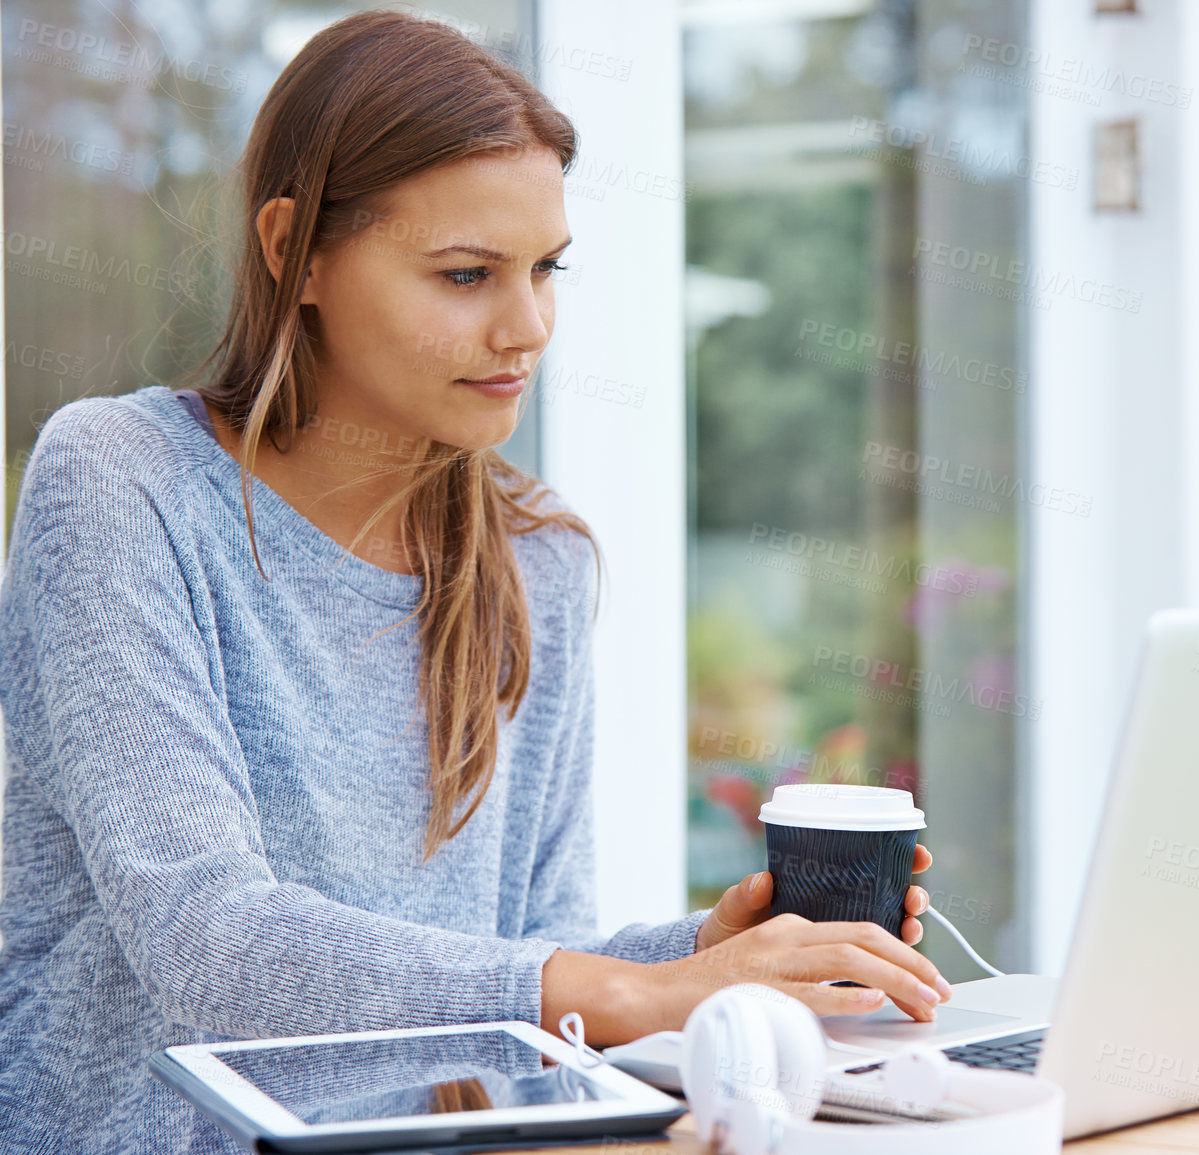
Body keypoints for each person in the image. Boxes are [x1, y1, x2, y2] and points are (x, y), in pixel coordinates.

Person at [0, 11, 949, 1153]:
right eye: (466, 275)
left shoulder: (533, 559)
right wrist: (634, 991)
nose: (527, 325)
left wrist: (710, 952)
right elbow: (212, 942)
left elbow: (532, 969)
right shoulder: (122, 482)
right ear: (291, 248)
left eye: (546, 269)